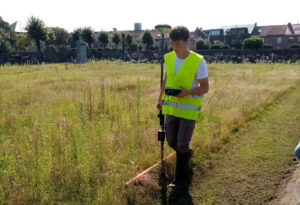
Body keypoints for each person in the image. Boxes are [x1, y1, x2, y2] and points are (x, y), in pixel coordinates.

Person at [157, 26, 209, 188]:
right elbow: (166, 81)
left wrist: (188, 92)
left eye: (178, 43)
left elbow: (205, 87)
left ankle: (180, 179)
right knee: (172, 141)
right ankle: (186, 154)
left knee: (181, 144)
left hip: (188, 111)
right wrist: (159, 99)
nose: (175, 46)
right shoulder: (168, 58)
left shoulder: (197, 61)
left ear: (187, 41)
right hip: (171, 109)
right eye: (172, 43)